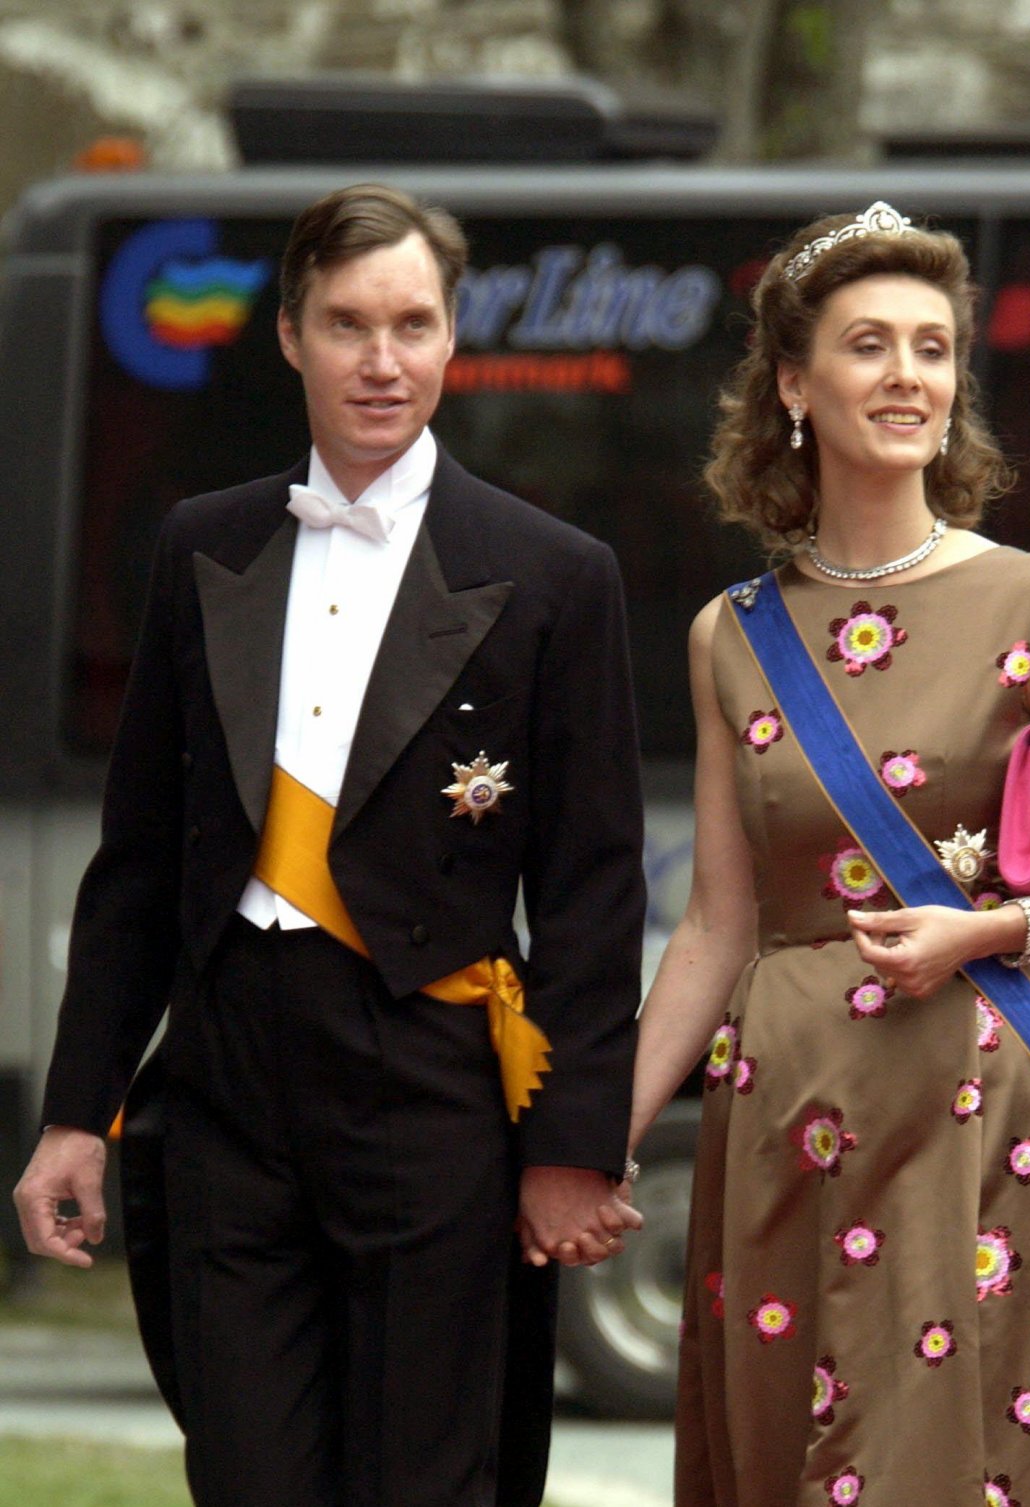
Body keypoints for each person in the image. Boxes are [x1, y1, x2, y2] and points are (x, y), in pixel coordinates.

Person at [12, 183, 645, 1507]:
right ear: (290, 335)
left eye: (413, 324)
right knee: (245, 1474)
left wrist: (571, 1145)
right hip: (228, 1075)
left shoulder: (553, 573)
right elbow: (139, 861)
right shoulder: (205, 545)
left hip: (428, 1075)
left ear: (453, 337)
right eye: (348, 324)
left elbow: (591, 893)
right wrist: (78, 1109)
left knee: (423, 1479)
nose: (382, 359)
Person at [628, 203, 1030, 1504]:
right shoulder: (733, 632)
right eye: (870, 343)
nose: (908, 375)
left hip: (981, 1107)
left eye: (934, 348)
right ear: (791, 384)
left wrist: (989, 931)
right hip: (789, 1115)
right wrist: (595, 1135)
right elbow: (720, 925)